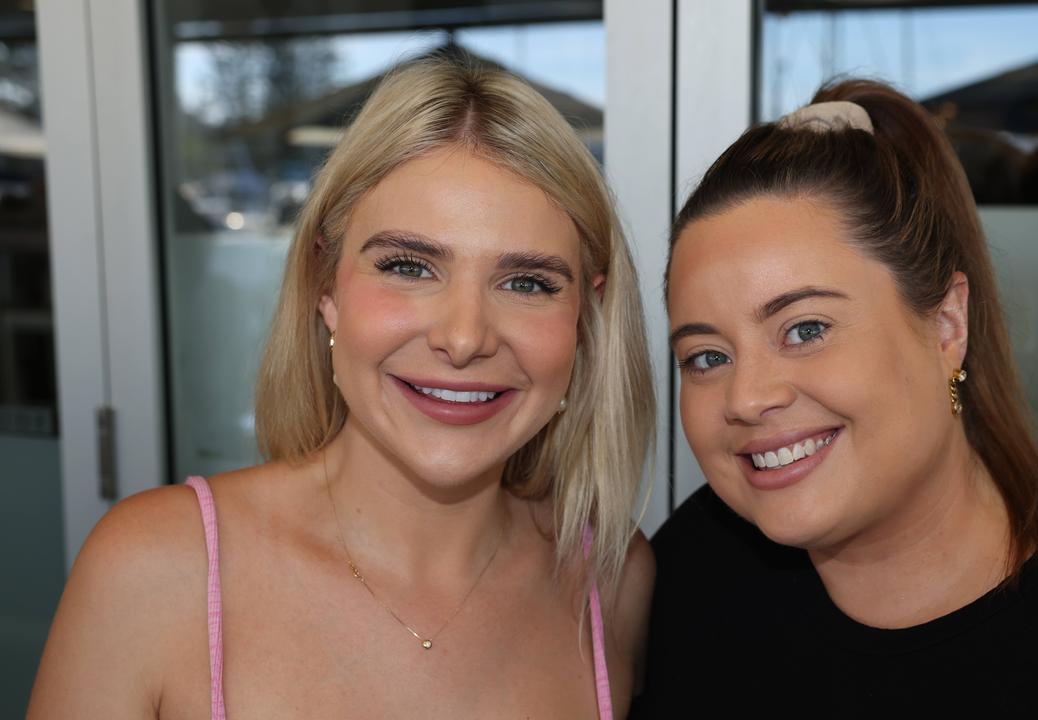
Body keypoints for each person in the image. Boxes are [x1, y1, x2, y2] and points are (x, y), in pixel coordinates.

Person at [30, 58, 655, 719]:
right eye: (409, 267)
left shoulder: (612, 580)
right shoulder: (155, 570)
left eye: (527, 283)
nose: (466, 337)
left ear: (586, 319)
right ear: (325, 288)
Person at [633, 79, 1038, 718]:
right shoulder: (692, 577)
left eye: (806, 330)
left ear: (947, 327)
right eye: (707, 357)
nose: (746, 397)